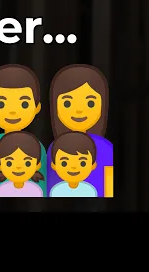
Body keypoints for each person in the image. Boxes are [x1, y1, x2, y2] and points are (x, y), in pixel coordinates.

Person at [46, 64, 114, 198]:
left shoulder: (105, 148)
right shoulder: (54, 148)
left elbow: (108, 185)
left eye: (90, 103)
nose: (79, 110)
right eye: (67, 103)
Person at [0, 64, 47, 198]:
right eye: (1, 104)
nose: (12, 111)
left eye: (24, 104)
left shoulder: (39, 148)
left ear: (37, 108)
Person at [0, 131, 45, 197]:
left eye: (27, 163)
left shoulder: (36, 190)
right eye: (9, 163)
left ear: (37, 166)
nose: (18, 167)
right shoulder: (1, 190)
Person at [49, 132, 98, 197]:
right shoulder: (56, 190)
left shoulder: (90, 191)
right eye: (64, 163)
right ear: (54, 165)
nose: (73, 167)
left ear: (93, 165)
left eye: (82, 163)